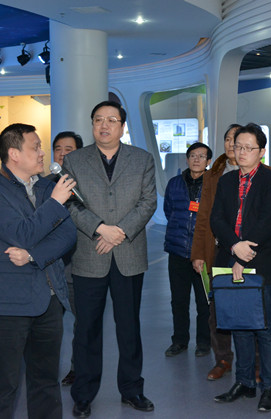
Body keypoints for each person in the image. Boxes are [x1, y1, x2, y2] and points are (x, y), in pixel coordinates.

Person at [0, 123, 77, 418]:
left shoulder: (46, 186)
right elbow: (22, 233)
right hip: (7, 304)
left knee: (46, 383)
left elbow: (67, 235)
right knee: (3, 387)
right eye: (36, 147)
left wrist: (33, 256)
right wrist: (55, 203)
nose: (43, 153)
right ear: (14, 154)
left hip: (49, 299)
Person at [63, 101, 157, 417]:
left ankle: (132, 390)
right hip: (89, 254)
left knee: (129, 328)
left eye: (111, 120)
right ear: (92, 124)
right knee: (86, 329)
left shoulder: (142, 159)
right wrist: (100, 229)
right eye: (98, 120)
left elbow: (148, 202)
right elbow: (71, 204)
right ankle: (83, 395)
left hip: (128, 255)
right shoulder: (75, 160)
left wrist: (120, 232)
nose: (104, 125)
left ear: (122, 126)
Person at [211, 123, 271, 413]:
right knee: (239, 326)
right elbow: (217, 219)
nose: (241, 152)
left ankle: (269, 386)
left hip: (261, 263)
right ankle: (244, 382)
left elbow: (269, 221)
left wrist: (245, 254)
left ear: (261, 151)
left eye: (248, 148)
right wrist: (234, 247)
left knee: (265, 329)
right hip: (230, 260)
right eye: (237, 146)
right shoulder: (227, 181)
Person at [191, 124, 241, 380]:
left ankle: (254, 361)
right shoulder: (213, 175)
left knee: (249, 307)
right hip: (218, 252)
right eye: (228, 139)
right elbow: (203, 217)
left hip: (249, 253)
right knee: (217, 311)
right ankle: (222, 359)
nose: (231, 144)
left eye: (237, 139)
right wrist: (198, 253)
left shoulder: (265, 174)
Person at [163, 142, 212, 357]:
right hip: (177, 251)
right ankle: (179, 341)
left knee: (204, 302)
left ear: (208, 161)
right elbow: (169, 211)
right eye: (193, 155)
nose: (196, 159)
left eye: (201, 156)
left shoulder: (214, 184)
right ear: (187, 158)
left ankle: (204, 342)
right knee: (179, 300)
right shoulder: (174, 183)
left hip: (203, 253)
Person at [47, 130, 83, 387]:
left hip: (79, 266)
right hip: (50, 267)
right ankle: (45, 371)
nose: (61, 154)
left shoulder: (87, 183)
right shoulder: (44, 184)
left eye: (68, 149)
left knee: (82, 324)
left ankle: (77, 369)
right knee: (48, 325)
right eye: (58, 149)